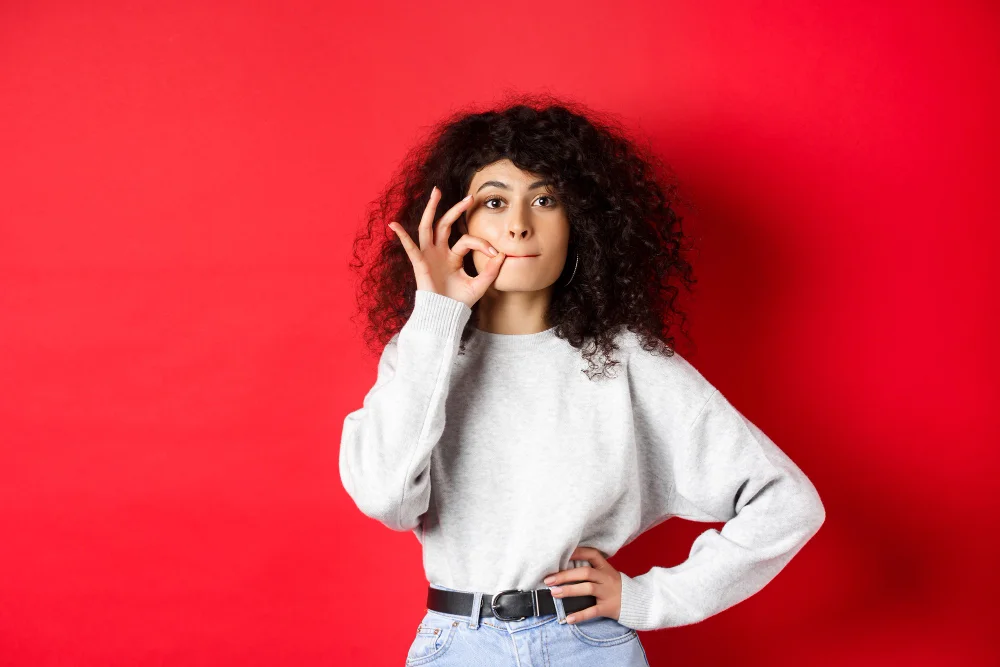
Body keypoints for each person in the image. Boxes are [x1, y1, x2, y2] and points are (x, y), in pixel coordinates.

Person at [339, 95, 826, 666]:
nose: (518, 225)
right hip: (457, 645)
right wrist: (435, 316)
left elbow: (787, 503)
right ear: (458, 222)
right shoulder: (423, 351)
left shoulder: (627, 361)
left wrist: (649, 598)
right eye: (494, 201)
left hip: (585, 647)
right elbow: (385, 497)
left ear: (581, 222)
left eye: (544, 199)